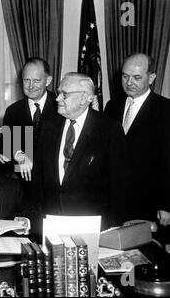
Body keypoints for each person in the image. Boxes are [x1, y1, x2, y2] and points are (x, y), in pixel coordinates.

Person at [31, 73, 131, 239]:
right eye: (58, 93)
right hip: (51, 223)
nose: (57, 99)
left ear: (85, 98)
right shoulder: (49, 126)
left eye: (65, 94)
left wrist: (112, 230)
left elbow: (119, 186)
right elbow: (38, 178)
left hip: (92, 226)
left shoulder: (108, 129)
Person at [105, 53, 170, 225]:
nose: (129, 82)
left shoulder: (165, 110)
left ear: (151, 78)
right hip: (113, 202)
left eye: (137, 77)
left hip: (148, 203)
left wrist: (166, 204)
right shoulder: (112, 106)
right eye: (125, 76)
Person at [1, 57, 58, 183]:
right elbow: (5, 147)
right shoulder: (12, 111)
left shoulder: (61, 107)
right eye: (26, 80)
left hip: (54, 184)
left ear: (48, 80)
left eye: (36, 80)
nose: (31, 86)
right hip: (22, 183)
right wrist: (18, 154)